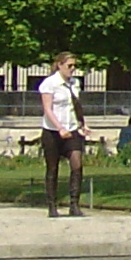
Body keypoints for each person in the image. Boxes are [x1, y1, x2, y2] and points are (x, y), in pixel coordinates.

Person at [39, 52, 88, 218]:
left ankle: (74, 203)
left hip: (72, 129)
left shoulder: (75, 83)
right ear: (59, 65)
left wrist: (82, 124)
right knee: (53, 168)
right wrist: (59, 128)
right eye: (69, 66)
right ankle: (52, 205)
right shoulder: (50, 84)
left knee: (77, 163)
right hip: (53, 131)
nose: (72, 69)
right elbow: (48, 109)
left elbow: (75, 106)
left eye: (74, 66)